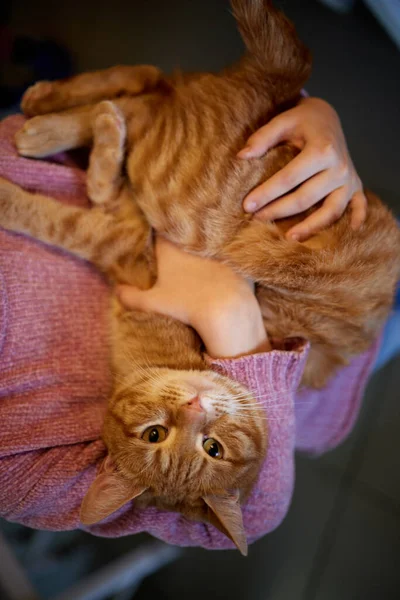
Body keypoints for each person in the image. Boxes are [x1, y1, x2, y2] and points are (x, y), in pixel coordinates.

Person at [0, 96, 398, 550]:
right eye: (211, 447)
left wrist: (298, 111)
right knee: (384, 293)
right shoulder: (11, 465)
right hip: (322, 349)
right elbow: (256, 515)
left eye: (156, 433)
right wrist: (229, 315)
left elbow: (156, 114)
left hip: (248, 196)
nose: (192, 410)